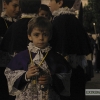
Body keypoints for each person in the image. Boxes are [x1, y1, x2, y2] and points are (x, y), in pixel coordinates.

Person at [4, 16, 71, 100]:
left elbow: (65, 78)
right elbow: (10, 74)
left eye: (45, 34)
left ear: (50, 36)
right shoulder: (21, 57)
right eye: (36, 34)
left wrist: (51, 79)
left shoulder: (56, 58)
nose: (41, 38)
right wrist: (25, 76)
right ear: (29, 36)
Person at [49, 0, 92, 100]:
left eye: (51, 0)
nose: (49, 4)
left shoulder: (59, 21)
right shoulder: (74, 20)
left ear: (60, 2)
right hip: (77, 74)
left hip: (65, 75)